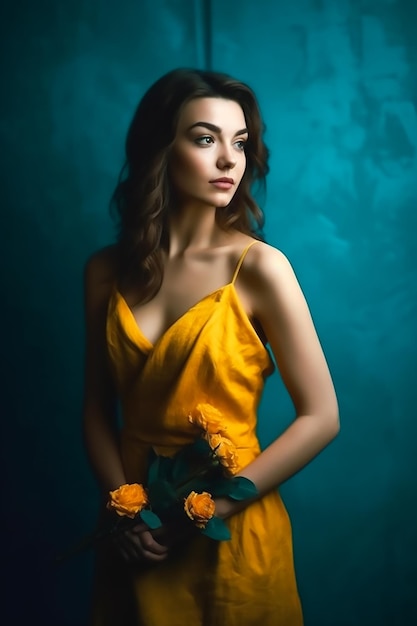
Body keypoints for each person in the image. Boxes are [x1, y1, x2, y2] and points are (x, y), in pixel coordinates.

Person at [83, 67, 339, 626]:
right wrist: (125, 513)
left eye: (240, 143)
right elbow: (96, 412)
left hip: (232, 532)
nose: (229, 160)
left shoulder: (262, 269)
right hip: (136, 537)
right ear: (158, 148)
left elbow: (321, 417)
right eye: (205, 139)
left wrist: (216, 508)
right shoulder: (104, 272)